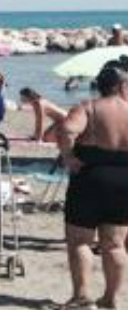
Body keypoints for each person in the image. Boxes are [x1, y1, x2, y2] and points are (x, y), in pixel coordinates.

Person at [55, 59, 128, 310]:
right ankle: (111, 298)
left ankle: (82, 296)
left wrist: (68, 156)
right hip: (124, 180)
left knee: (80, 240)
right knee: (115, 244)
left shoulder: (89, 107)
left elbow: (66, 130)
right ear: (121, 86)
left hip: (91, 176)